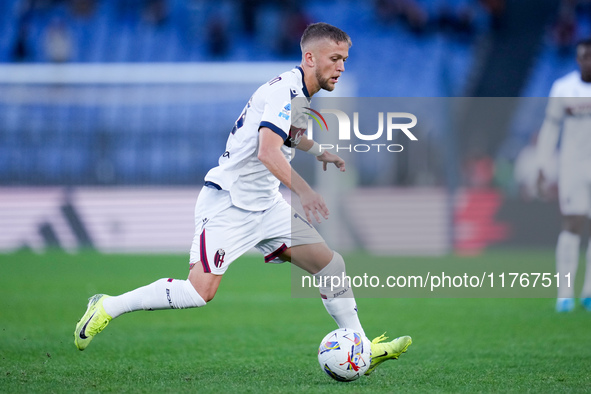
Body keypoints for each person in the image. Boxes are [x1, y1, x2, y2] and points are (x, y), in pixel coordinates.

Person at [74, 22, 412, 375]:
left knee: (331, 266)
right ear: (310, 57)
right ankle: (108, 305)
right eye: (335, 58)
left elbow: (290, 136)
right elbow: (268, 151)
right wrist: (306, 191)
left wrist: (321, 151)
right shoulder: (285, 91)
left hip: (266, 206)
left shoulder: (299, 91)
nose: (341, 67)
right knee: (198, 293)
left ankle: (362, 347)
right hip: (229, 204)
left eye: (344, 59)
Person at [536, 38, 591, 312]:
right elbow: (550, 128)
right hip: (573, 167)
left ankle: (589, 292)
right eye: (585, 57)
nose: (588, 62)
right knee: (572, 223)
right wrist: (542, 166)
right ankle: (565, 293)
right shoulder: (563, 88)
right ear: (578, 59)